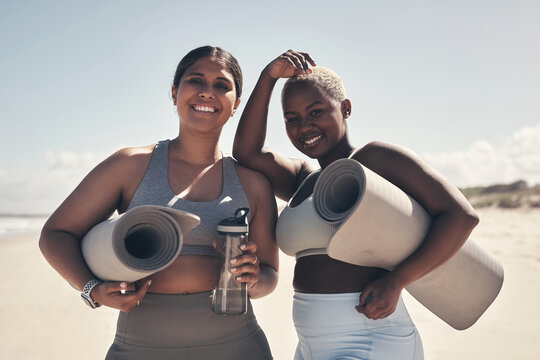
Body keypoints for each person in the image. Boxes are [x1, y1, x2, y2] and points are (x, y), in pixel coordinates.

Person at [233, 50, 480, 360]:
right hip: (309, 345)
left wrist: (398, 279)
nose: (304, 127)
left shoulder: (375, 159)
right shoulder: (302, 178)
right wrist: (268, 77)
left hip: (371, 336)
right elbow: (246, 152)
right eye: (291, 119)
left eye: (316, 111)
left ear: (345, 108)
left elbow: (461, 216)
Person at [39, 46, 278, 359]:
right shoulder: (129, 166)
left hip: (237, 345)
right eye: (196, 81)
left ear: (235, 105)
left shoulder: (254, 184)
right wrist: (91, 289)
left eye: (221, 85)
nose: (208, 93)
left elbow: (270, 275)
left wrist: (253, 278)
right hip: (140, 346)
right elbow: (56, 234)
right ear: (175, 92)